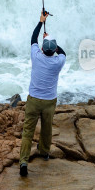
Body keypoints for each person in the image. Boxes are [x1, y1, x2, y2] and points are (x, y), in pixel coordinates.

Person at [20, 10, 66, 177]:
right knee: (46, 129)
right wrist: (51, 40)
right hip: (49, 102)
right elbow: (63, 53)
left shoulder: (36, 56)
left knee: (28, 132)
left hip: (33, 101)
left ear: (41, 49)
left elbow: (33, 39)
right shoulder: (58, 62)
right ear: (53, 50)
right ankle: (44, 153)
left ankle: (23, 161)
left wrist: (41, 22)